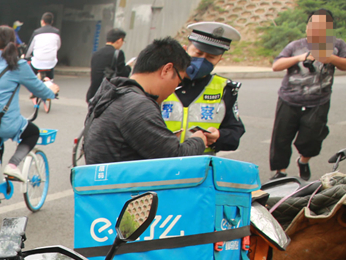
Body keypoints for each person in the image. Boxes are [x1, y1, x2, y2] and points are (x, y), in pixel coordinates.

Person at [82, 37, 215, 165]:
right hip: (125, 186)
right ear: (167, 70)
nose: (174, 89)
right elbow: (175, 158)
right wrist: (199, 140)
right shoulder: (137, 105)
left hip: (104, 184)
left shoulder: (112, 93)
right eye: (178, 81)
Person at [0, 25, 58, 182]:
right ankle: (12, 165)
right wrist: (52, 91)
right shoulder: (18, 65)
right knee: (32, 133)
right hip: (5, 123)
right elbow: (40, 90)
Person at [269, 9, 346, 180]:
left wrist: (330, 58)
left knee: (311, 139)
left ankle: (303, 161)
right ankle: (279, 173)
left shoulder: (338, 45)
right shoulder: (295, 45)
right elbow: (276, 65)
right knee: (281, 138)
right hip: (289, 98)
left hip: (319, 101)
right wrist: (300, 57)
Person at [161, 22, 245, 154]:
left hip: (201, 167)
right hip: (160, 162)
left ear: (220, 59)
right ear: (185, 50)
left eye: (211, 57)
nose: (202, 61)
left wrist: (218, 136)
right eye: (198, 53)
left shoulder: (225, 89)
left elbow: (235, 133)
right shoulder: (161, 80)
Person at [25, 12, 61, 112]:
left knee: (32, 74)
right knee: (50, 72)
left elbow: (29, 49)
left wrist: (26, 56)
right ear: (52, 22)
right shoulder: (56, 32)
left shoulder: (37, 32)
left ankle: (34, 91)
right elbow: (58, 46)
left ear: (42, 21)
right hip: (51, 61)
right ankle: (50, 83)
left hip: (37, 61)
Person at [87, 27, 129, 103]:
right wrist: (129, 67)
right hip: (108, 95)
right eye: (123, 41)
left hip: (93, 94)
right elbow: (123, 74)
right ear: (119, 40)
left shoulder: (96, 53)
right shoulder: (118, 53)